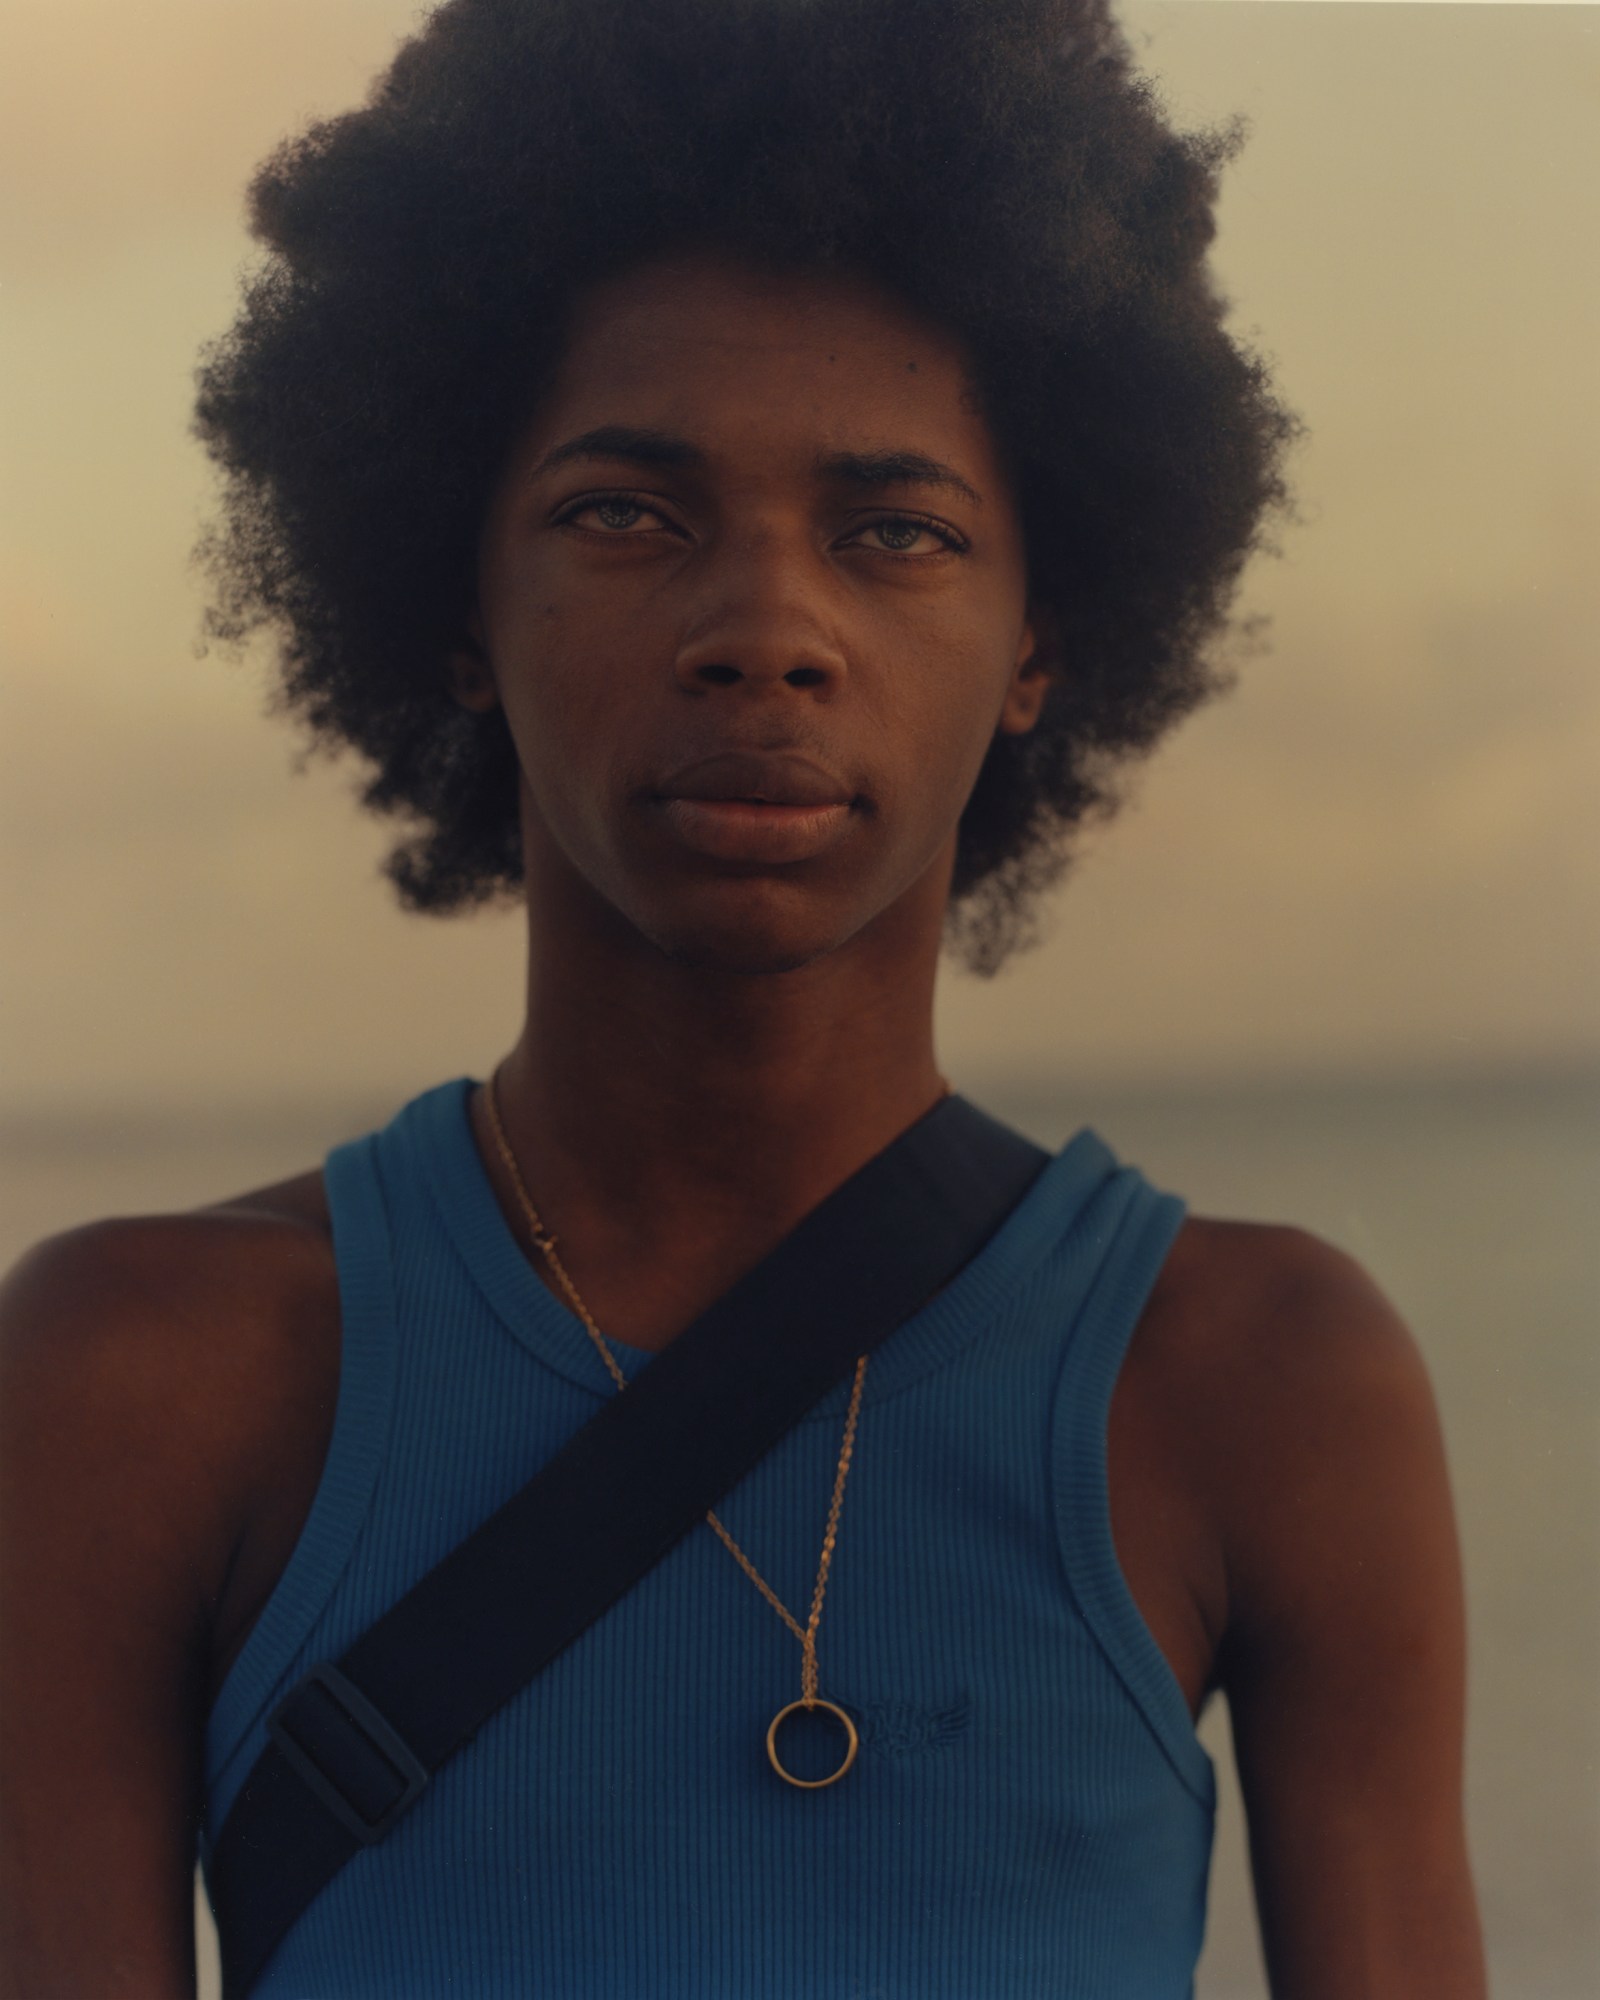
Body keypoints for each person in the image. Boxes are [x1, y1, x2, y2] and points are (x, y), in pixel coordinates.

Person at [0, 0, 1486, 1993]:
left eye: (895, 533)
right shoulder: (143, 1380)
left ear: (1036, 639)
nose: (766, 630)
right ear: (456, 605)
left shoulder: (1257, 1382)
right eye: (626, 513)